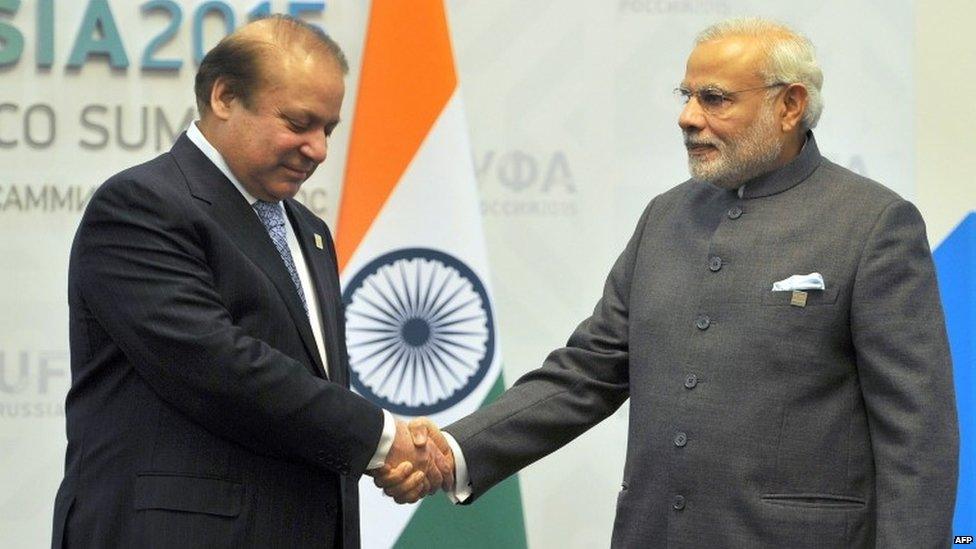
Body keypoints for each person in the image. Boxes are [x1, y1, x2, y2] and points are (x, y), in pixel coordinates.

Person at [377, 17, 959, 547]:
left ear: (790, 105)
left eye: (715, 99)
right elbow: (587, 371)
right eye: (687, 96)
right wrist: (453, 451)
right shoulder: (665, 216)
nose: (688, 117)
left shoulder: (872, 224)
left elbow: (916, 436)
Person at [51, 15, 447, 549]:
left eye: (328, 129)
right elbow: (220, 367)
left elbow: (313, 388)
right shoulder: (142, 205)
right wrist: (383, 440)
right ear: (223, 97)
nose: (319, 150)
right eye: (299, 123)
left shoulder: (310, 232)